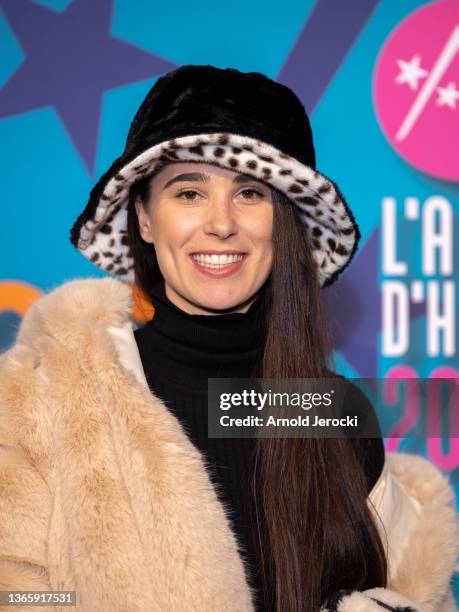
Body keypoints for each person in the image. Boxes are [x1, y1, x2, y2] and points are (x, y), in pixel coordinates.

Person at [0, 65, 457, 612]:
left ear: (284, 223)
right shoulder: (48, 396)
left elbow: (406, 593)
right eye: (188, 192)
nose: (221, 224)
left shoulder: (323, 408)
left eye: (250, 193)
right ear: (144, 219)